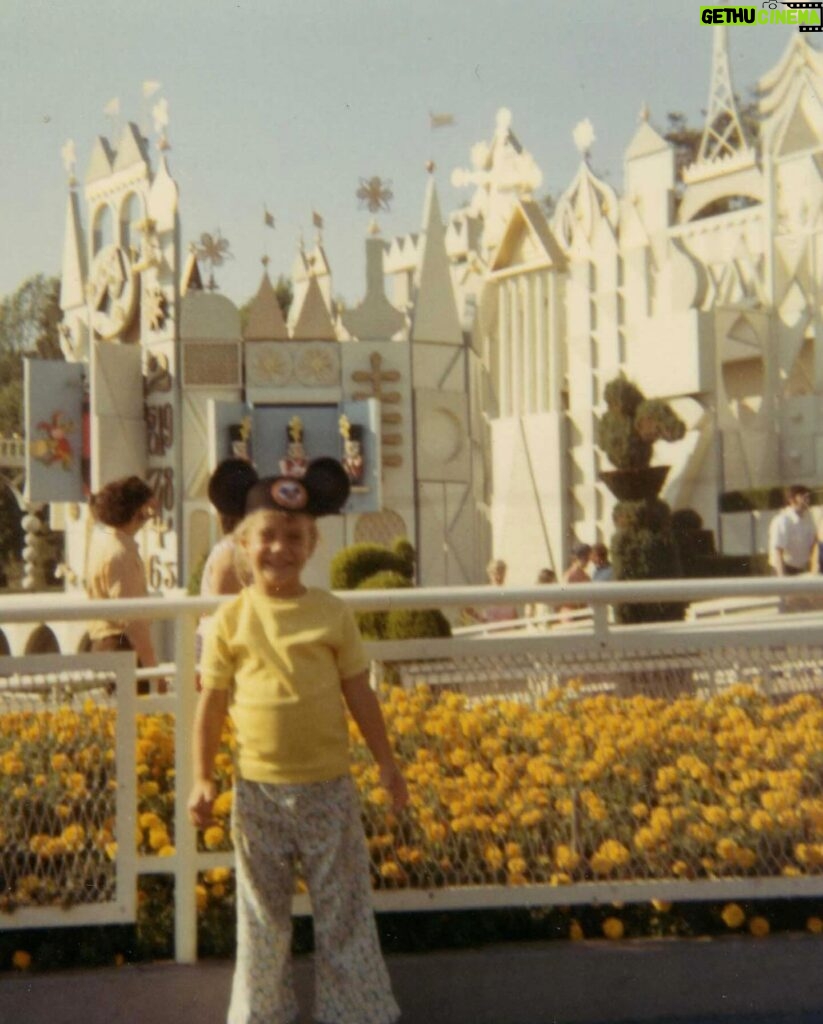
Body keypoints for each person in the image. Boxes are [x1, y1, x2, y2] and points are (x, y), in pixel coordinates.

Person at [188, 458, 406, 1024]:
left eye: (293, 537)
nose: (279, 549)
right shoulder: (229, 621)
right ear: (242, 542)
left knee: (345, 915)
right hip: (257, 794)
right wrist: (203, 777)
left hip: (328, 790)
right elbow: (210, 706)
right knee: (262, 922)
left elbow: (360, 694)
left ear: (310, 545)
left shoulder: (331, 614)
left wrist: (386, 763)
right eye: (266, 536)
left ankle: (355, 1016)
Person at [85, 475, 164, 693]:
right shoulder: (121, 554)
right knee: (138, 721)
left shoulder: (102, 542)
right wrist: (154, 671)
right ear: (137, 510)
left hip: (104, 642)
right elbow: (133, 622)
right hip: (122, 645)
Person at [195, 458, 260, 690]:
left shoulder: (235, 550)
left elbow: (221, 616)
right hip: (231, 655)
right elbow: (223, 618)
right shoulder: (238, 551)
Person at [768, 485, 816, 576]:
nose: (807, 500)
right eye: (803, 497)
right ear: (792, 499)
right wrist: (782, 577)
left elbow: (812, 547)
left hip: (801, 571)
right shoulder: (783, 520)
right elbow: (778, 551)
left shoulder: (808, 520)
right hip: (783, 570)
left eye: (808, 497)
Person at [464, 558, 519, 625]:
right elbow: (484, 620)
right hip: (491, 634)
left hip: (509, 633)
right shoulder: (485, 594)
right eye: (495, 573)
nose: (498, 576)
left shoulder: (509, 594)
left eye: (501, 572)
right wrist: (474, 614)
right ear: (490, 574)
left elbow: (516, 620)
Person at [560, 542, 592, 623]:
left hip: (583, 615)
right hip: (571, 616)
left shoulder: (586, 577)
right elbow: (563, 597)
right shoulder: (568, 577)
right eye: (585, 558)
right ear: (576, 558)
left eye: (588, 558)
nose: (588, 561)